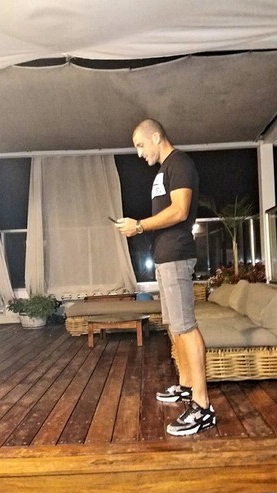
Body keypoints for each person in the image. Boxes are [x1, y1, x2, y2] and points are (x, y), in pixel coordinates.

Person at [116, 118, 216, 436]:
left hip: (176, 255)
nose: (139, 153)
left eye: (140, 145)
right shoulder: (163, 170)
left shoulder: (180, 163)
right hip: (164, 257)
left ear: (157, 137)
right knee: (175, 327)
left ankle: (202, 406)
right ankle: (186, 386)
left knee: (186, 327)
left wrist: (140, 225)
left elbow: (180, 210)